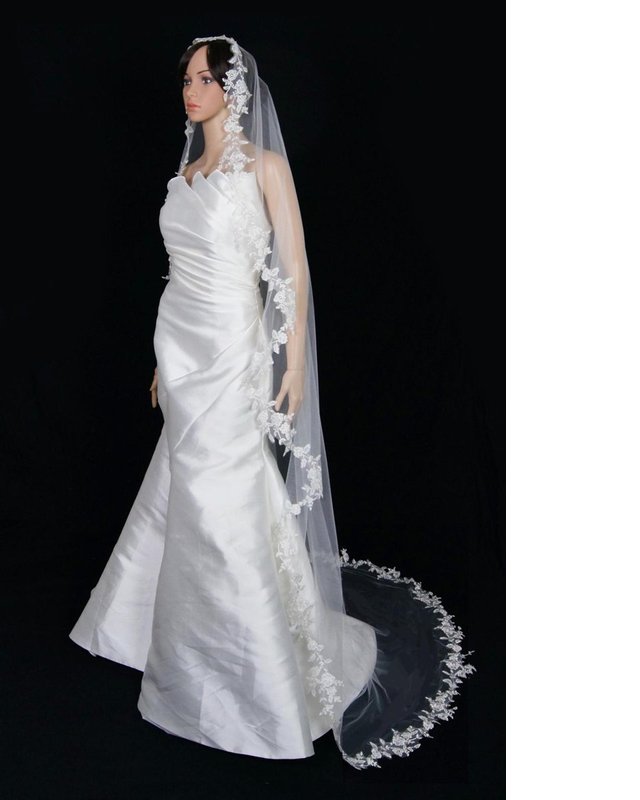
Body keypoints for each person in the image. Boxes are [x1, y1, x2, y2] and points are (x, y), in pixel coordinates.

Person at [70, 35, 475, 769]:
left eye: (205, 79)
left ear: (234, 89)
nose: (191, 90)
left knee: (220, 491)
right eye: (186, 79)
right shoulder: (184, 174)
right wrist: (160, 361)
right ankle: (165, 633)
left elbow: (292, 267)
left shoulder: (264, 167)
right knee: (183, 484)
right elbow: (178, 273)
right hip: (180, 347)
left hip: (233, 348)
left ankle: (239, 670)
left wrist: (292, 362)